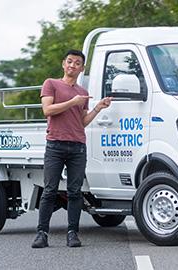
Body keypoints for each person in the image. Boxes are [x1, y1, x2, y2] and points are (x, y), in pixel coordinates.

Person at [32, 49, 112, 248]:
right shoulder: (51, 84)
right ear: (63, 63)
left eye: (77, 63)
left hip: (77, 147)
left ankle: (73, 233)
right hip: (55, 145)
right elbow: (47, 110)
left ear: (82, 68)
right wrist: (71, 102)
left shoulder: (83, 93)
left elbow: (82, 122)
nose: (72, 66)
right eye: (70, 61)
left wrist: (97, 108)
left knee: (75, 192)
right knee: (49, 190)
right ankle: (42, 234)